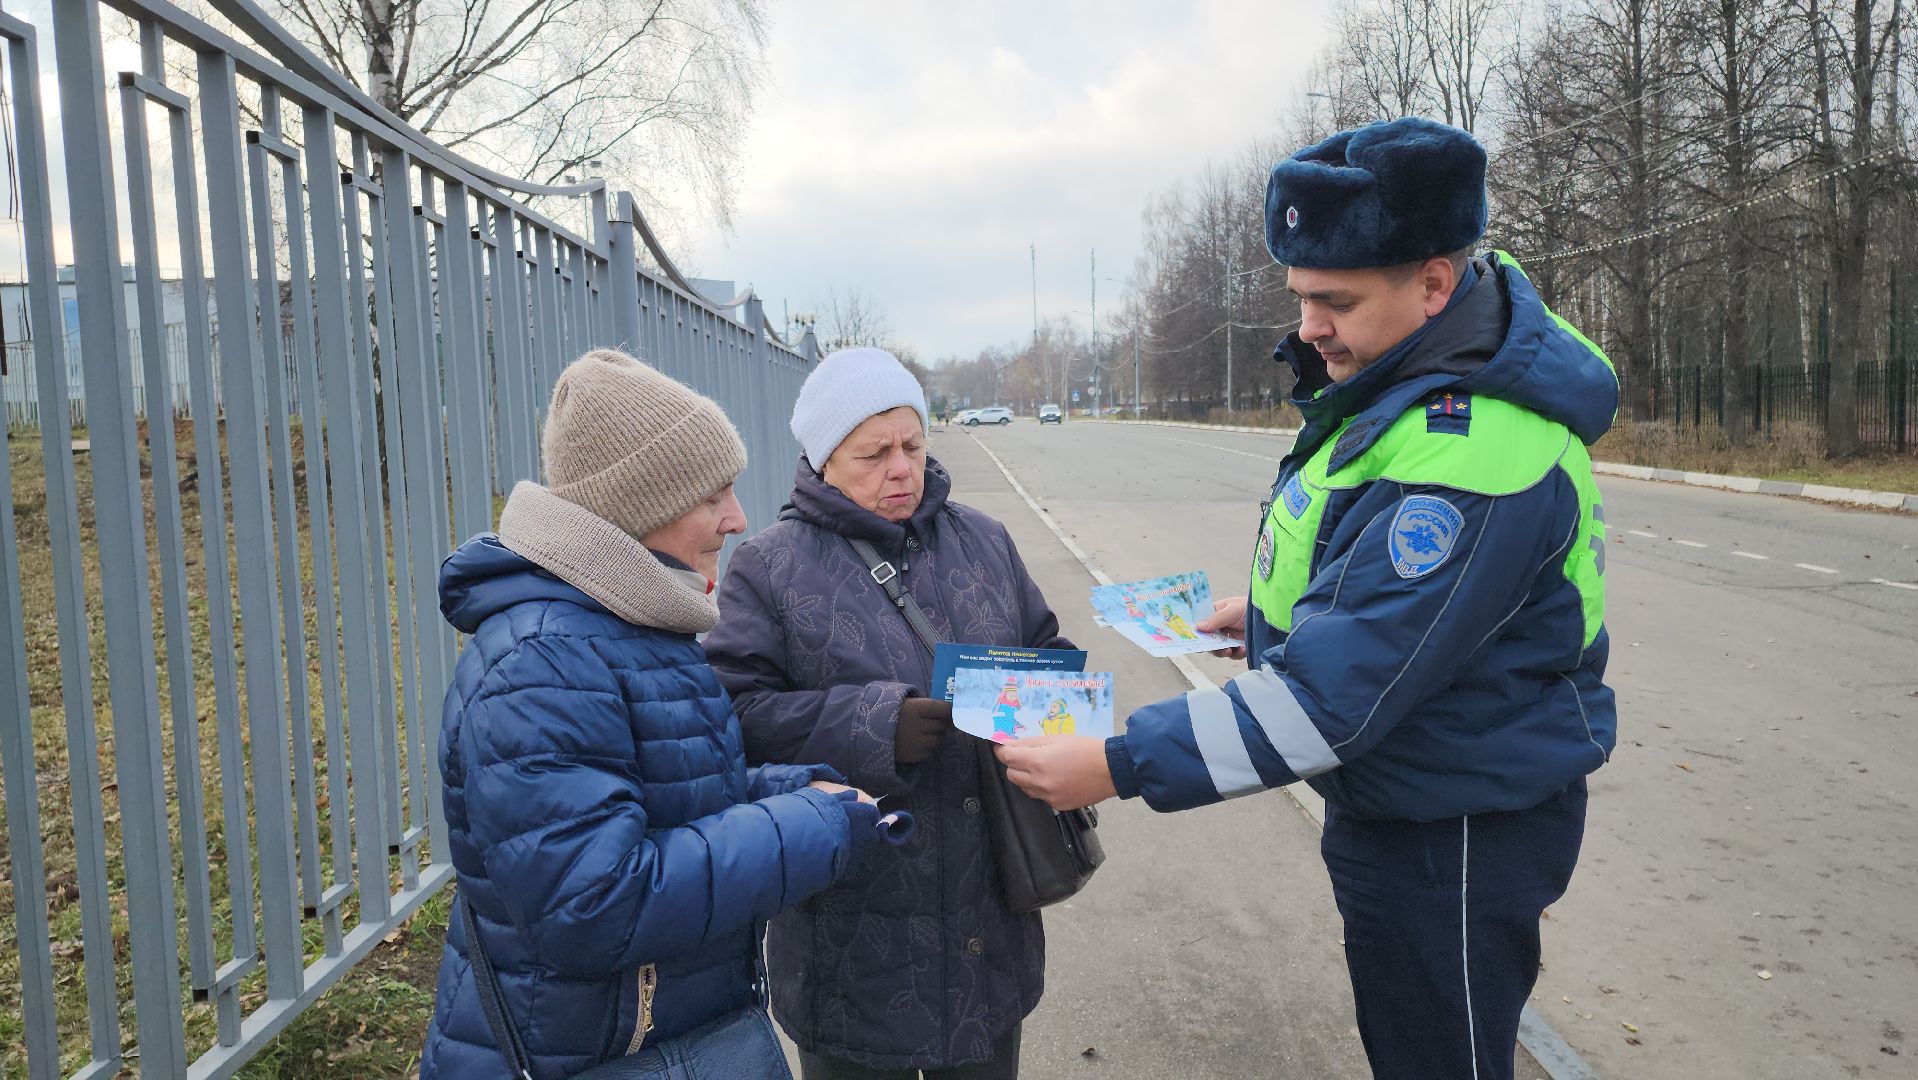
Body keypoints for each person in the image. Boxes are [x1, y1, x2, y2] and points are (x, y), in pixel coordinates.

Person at [995, 117, 1618, 1080]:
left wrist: (1114, 765)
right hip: (1411, 798)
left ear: (1434, 284)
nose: (1308, 328)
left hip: (1450, 835)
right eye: (1300, 298)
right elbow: (1379, 602)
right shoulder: (1400, 385)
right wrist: (1276, 620)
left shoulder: (1472, 453)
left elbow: (1330, 701)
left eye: (1334, 301)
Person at [421, 349, 897, 1080]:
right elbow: (596, 903)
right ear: (640, 506)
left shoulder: (626, 624)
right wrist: (812, 828)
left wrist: (799, 791)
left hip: (647, 1038)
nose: (737, 518)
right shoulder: (543, 665)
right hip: (587, 1051)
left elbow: (663, 801)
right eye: (715, 496)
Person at [705, 346, 1073, 1079]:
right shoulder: (769, 568)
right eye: (873, 453)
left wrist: (1055, 716)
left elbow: (1045, 649)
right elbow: (733, 717)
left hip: (985, 929)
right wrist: (876, 724)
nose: (900, 468)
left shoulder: (984, 542)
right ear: (823, 459)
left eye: (912, 444)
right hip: (851, 937)